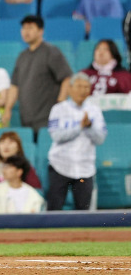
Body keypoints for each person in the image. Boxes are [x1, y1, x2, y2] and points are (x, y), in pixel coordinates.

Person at [47, 72, 107, 211]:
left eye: (86, 87)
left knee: (84, 210)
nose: (83, 90)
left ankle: (83, 234)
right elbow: (56, 136)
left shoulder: (95, 111)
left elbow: (101, 138)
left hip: (84, 170)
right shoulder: (58, 109)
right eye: (79, 86)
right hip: (60, 166)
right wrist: (79, 127)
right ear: (70, 88)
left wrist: (89, 127)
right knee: (54, 209)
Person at [4, 16, 73, 132]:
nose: (26, 31)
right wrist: (8, 108)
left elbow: (66, 78)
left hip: (48, 117)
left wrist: (61, 103)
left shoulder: (51, 51)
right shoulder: (22, 56)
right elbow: (14, 86)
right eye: (24, 28)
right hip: (26, 117)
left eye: (30, 28)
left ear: (41, 31)